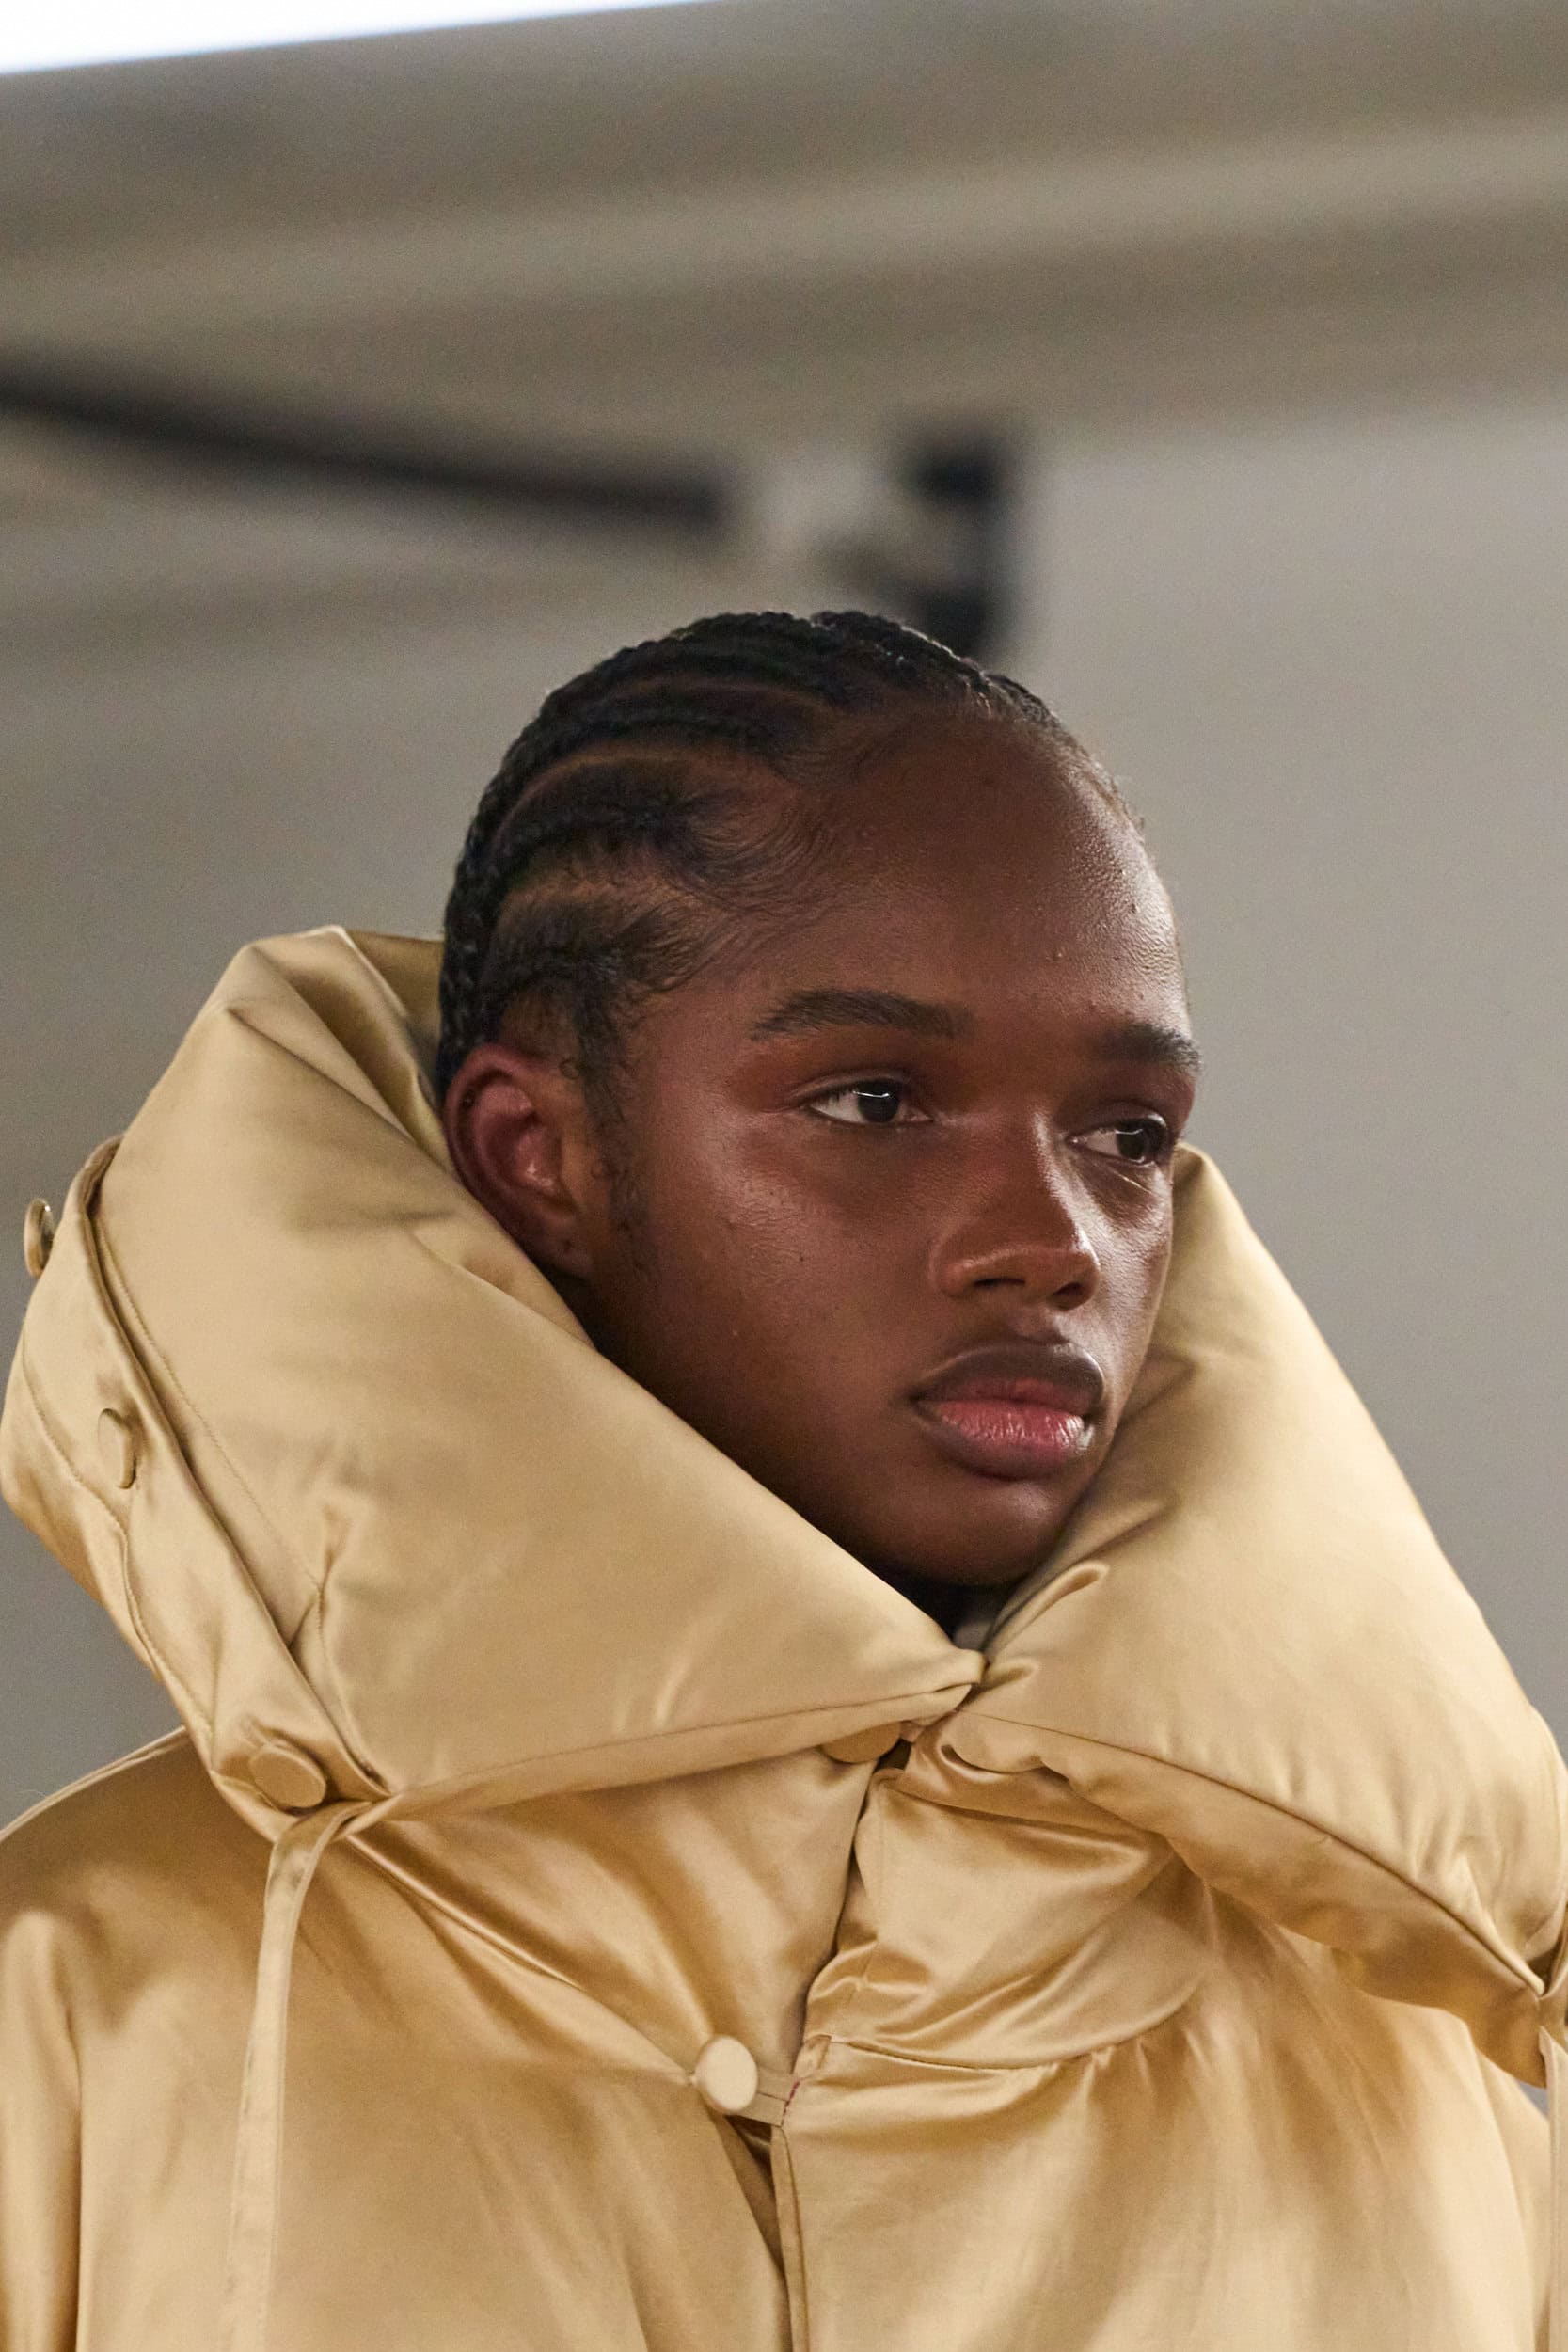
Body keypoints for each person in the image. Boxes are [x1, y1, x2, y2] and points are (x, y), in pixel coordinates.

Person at [0, 608, 1561, 2352]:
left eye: (1125, 1135)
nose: (1051, 1242)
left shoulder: (1426, 2075)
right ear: (541, 1156)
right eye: (877, 1101)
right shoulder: (84, 2000)